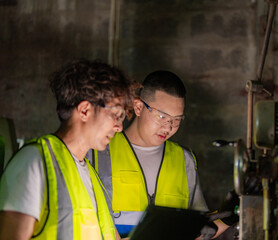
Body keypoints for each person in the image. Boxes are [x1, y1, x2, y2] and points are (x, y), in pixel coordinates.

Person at [88, 70, 238, 239]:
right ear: (138, 107)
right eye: (162, 116)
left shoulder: (184, 160)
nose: (168, 127)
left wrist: (227, 219)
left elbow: (196, 233)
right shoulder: (98, 151)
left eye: (176, 120)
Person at [0, 59, 139, 240]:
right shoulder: (34, 162)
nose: (119, 127)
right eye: (116, 115)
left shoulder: (91, 176)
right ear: (84, 110)